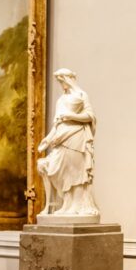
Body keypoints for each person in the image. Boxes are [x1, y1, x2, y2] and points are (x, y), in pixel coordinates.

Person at [37, 69, 98, 218]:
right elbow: (57, 124)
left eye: (62, 80)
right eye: (59, 81)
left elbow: (90, 116)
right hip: (61, 137)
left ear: (69, 79)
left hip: (76, 136)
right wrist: (48, 139)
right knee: (62, 171)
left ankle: (77, 206)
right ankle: (67, 205)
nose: (61, 84)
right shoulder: (61, 100)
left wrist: (71, 116)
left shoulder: (82, 95)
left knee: (75, 172)